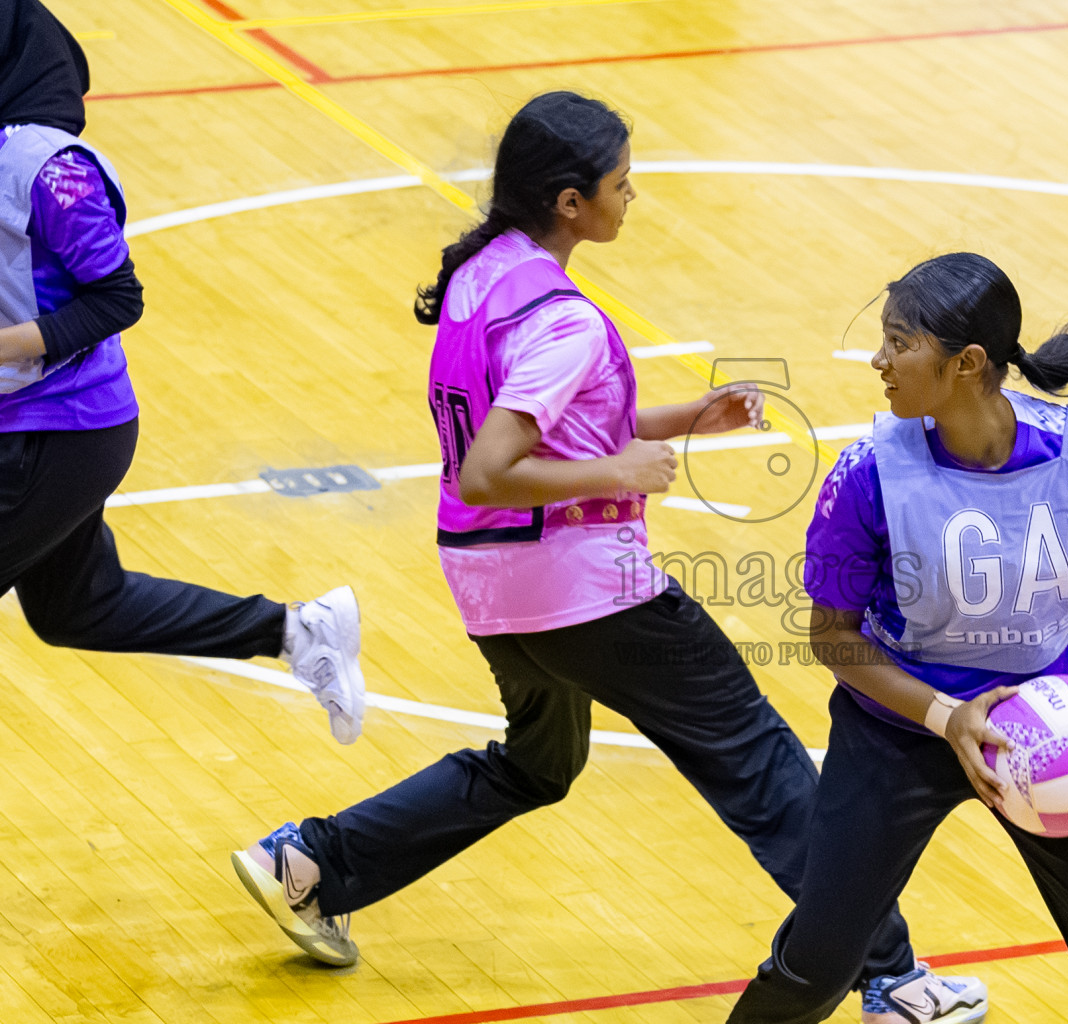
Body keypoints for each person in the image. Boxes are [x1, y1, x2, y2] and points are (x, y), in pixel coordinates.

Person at [231, 93, 975, 1020]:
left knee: (536, 765)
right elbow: (490, 466)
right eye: (622, 183)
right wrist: (621, 464)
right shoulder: (566, 319)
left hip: (491, 585)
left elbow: (550, 421)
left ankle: (311, 862)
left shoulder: (483, 275)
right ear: (572, 201)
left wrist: (680, 419)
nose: (635, 195)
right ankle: (891, 975)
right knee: (758, 760)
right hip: (585, 589)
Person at [726, 248, 1068, 1024]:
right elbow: (835, 638)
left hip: (1050, 729)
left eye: (899, 342)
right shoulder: (868, 472)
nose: (878, 360)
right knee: (816, 966)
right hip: (900, 731)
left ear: (967, 363)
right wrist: (948, 718)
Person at [0, 0, 364, 742]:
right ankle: (301, 634)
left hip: (61, 429)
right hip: (35, 423)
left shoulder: (50, 169)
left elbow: (118, 296)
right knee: (80, 606)